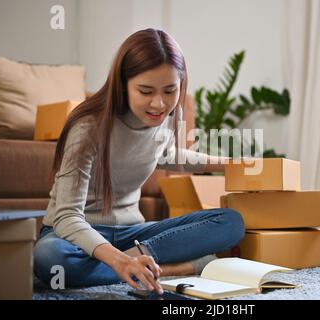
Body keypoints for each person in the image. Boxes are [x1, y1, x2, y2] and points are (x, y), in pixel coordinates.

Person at [33, 28, 245, 294]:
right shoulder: (88, 128)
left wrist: (230, 164)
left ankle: (138, 261)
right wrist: (120, 260)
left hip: (131, 234)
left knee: (230, 222)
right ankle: (170, 269)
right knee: (50, 259)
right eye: (145, 91)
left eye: (170, 91)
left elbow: (168, 155)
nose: (158, 104)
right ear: (123, 84)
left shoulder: (165, 119)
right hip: (75, 236)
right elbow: (66, 216)